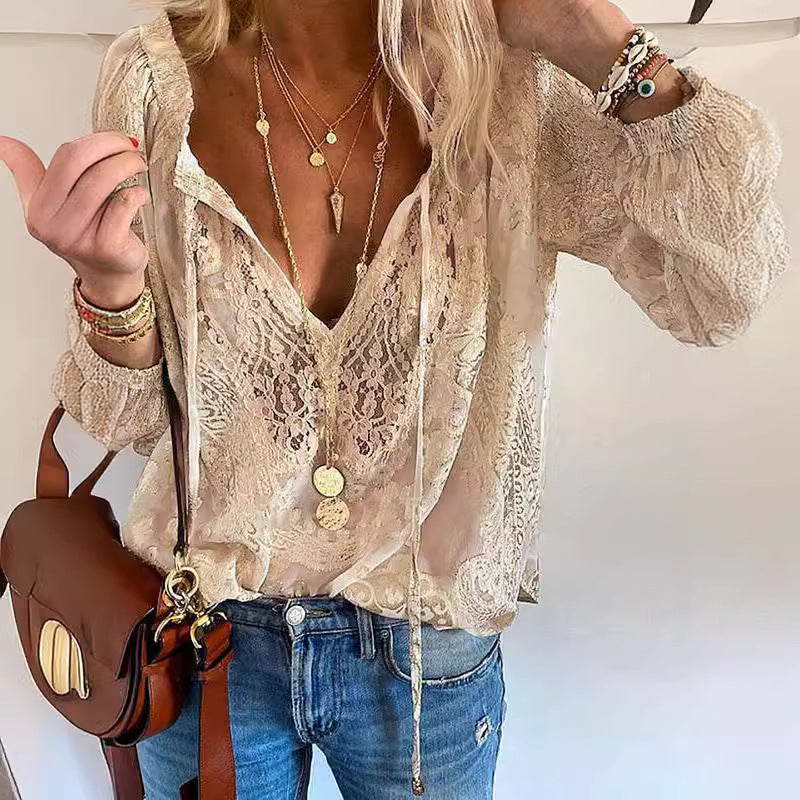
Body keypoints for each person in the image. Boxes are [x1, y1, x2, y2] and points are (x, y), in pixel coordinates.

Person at [0, 0, 790, 797]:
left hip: (426, 657)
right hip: (205, 636)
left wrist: (592, 35)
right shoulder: (151, 80)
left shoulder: (509, 91)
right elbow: (134, 421)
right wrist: (109, 288)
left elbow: (719, 293)